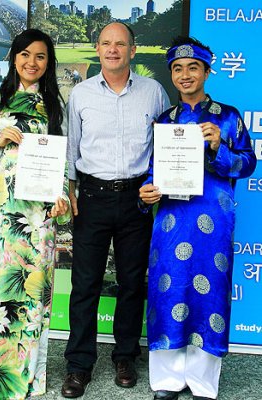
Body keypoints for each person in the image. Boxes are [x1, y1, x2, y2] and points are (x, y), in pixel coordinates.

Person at [139, 36, 257, 400]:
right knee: (168, 289)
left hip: (213, 223)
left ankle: (203, 381)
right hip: (172, 221)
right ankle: (168, 380)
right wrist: (146, 193)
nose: (185, 75)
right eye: (178, 68)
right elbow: (151, 171)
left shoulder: (229, 117)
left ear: (207, 71)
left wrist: (220, 146)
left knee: (209, 295)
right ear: (171, 74)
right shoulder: (164, 121)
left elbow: (247, 164)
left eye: (193, 67)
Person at [62, 22, 170, 398]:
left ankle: (125, 355)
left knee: (130, 282)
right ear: (97, 48)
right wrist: (71, 192)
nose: (113, 50)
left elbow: (165, 145)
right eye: (106, 43)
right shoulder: (82, 94)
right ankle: (79, 364)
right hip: (91, 198)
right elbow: (71, 149)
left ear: (132, 50)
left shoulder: (153, 92)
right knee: (85, 284)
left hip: (136, 199)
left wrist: (159, 183)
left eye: (120, 44)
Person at [0, 28, 70, 400]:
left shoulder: (55, 105)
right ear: (13, 57)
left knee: (31, 295)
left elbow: (64, 163)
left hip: (38, 220)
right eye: (25, 54)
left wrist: (62, 200)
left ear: (48, 62)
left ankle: (28, 378)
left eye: (40, 56)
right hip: (0, 218)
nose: (32, 62)